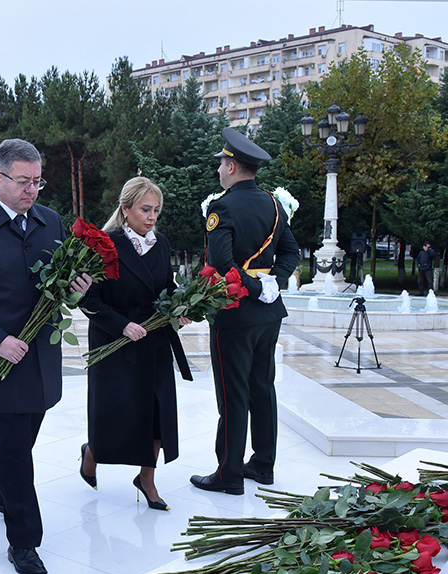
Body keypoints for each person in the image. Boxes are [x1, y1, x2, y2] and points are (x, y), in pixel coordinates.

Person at [0, 138, 91, 574]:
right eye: (23, 181)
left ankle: (4, 493)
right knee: (15, 452)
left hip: (42, 357)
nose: (32, 190)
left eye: (38, 181)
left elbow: (60, 284)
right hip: (1, 361)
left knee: (23, 438)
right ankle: (24, 542)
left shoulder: (50, 221)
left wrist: (78, 290)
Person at [190, 128, 300, 496]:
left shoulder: (221, 207)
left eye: (222, 163)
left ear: (233, 167)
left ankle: (229, 474)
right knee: (262, 388)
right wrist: (273, 283)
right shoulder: (274, 204)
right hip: (269, 315)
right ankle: (264, 466)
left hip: (235, 312)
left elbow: (221, 261)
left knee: (233, 394)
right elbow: (291, 253)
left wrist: (254, 288)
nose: (219, 169)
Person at [78, 178, 193, 510]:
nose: (152, 217)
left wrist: (180, 308)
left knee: (157, 413)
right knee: (114, 414)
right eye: (145, 209)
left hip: (153, 340)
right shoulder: (104, 246)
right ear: (125, 209)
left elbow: (166, 286)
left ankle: (146, 478)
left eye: (156, 210)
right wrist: (121, 326)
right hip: (114, 342)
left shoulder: (161, 243)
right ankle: (91, 454)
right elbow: (87, 299)